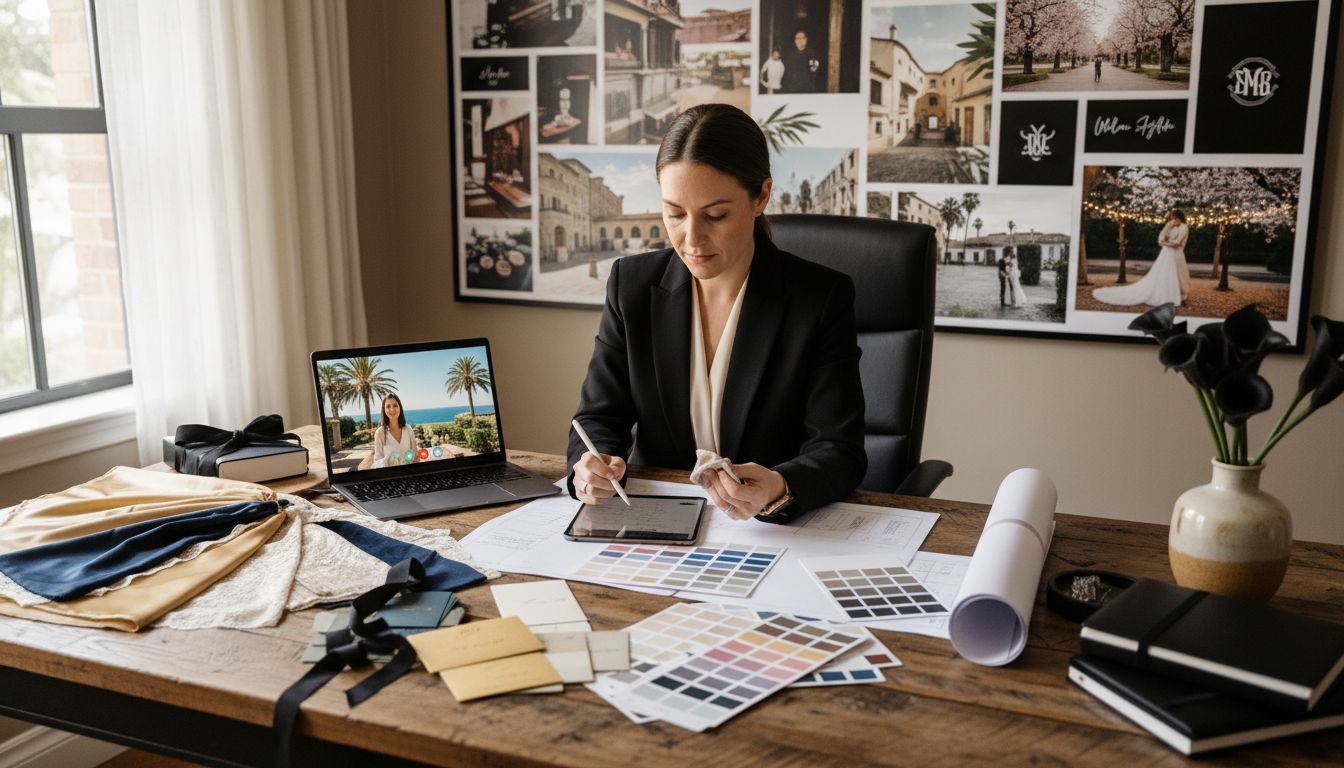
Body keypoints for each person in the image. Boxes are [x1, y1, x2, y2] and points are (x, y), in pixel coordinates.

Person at [567, 103, 866, 524]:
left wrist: (782, 485)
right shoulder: (630, 284)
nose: (691, 239)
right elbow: (598, 417)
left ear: (761, 196)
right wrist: (589, 466)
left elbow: (841, 450)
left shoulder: (818, 298)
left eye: (715, 215)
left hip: (773, 532)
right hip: (656, 521)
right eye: (674, 213)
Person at [1093, 209, 1191, 307]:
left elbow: (1178, 242)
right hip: (1166, 253)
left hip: (1176, 253)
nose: (1172, 218)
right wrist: (1165, 239)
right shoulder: (1170, 224)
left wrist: (1166, 243)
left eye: (1174, 216)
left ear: (1178, 217)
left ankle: (1180, 296)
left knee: (1179, 274)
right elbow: (1162, 236)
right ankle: (1167, 294)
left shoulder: (1184, 227)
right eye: (1172, 216)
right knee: (1163, 274)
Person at [371, 393, 420, 468]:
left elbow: (416, 457)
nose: (392, 409)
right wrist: (388, 462)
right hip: (391, 476)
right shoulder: (379, 433)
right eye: (388, 406)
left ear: (400, 407)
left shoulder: (408, 429)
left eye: (395, 405)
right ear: (384, 410)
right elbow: (377, 462)